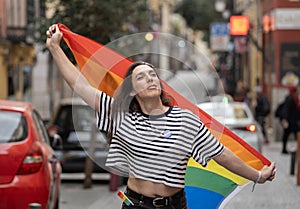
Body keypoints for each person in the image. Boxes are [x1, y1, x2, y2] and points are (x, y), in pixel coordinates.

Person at [46, 24, 276, 209]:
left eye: (152, 74)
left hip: (174, 205)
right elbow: (80, 84)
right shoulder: (121, 116)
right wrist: (56, 48)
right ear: (132, 90)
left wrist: (257, 175)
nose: (150, 79)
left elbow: (222, 155)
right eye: (141, 77)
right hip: (136, 203)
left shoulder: (185, 120)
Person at [280, 86, 300, 154]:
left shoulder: (296, 98)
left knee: (296, 135)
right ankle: (284, 149)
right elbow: (286, 109)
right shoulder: (290, 98)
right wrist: (285, 119)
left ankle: (297, 149)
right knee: (286, 135)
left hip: (294, 121)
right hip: (289, 120)